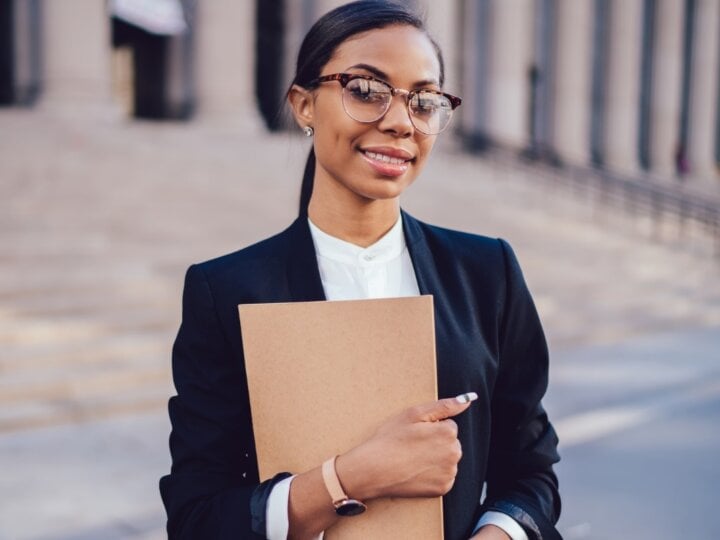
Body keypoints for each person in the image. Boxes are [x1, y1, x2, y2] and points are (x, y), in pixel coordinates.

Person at [159, 1, 561, 539]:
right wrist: (350, 478)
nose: (400, 122)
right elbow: (196, 518)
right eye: (366, 91)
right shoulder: (226, 291)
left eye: (424, 101)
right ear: (304, 105)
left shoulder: (488, 273)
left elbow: (532, 474)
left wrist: (499, 534)